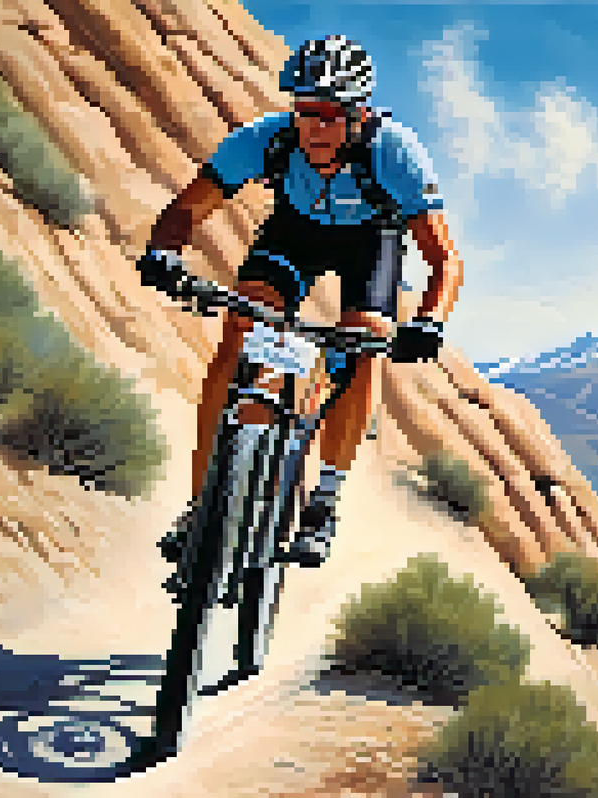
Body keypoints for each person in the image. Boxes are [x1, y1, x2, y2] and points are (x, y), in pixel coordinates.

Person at [136, 35, 463, 571]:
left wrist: (430, 321)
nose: (312, 126)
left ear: (358, 113)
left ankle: (325, 499)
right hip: (295, 235)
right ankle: (201, 506)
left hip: (371, 243)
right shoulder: (267, 140)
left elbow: (444, 258)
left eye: (328, 115)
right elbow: (189, 207)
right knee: (240, 329)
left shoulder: (394, 151)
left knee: (363, 346)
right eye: (303, 111)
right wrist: (163, 253)